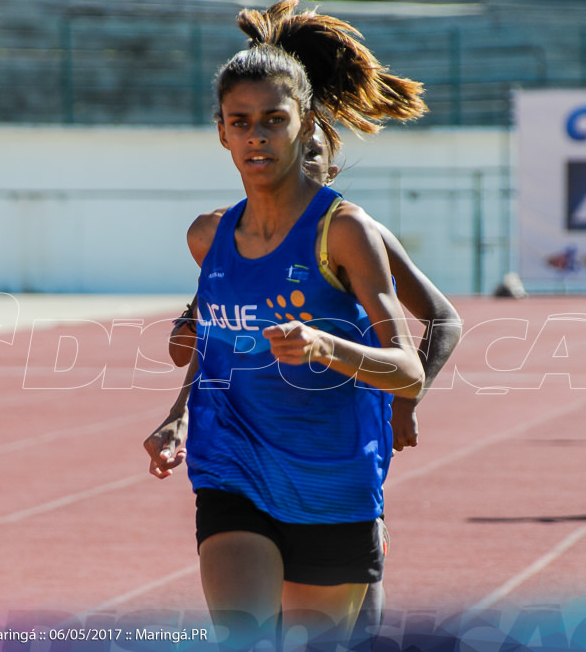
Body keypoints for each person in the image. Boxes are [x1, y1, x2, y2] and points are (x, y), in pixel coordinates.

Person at [144, 0, 434, 648]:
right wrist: (178, 415)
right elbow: (209, 346)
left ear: (307, 132)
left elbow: (413, 358)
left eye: (274, 121)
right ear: (220, 130)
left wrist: (333, 352)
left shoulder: (349, 232)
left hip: (332, 473)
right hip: (234, 468)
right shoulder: (207, 236)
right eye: (240, 122)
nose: (256, 136)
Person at [167, 121, 462, 638]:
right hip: (243, 456)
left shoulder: (354, 231)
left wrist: (404, 405)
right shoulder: (230, 235)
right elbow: (202, 343)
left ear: (331, 165)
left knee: (350, 628)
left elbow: (442, 319)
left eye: (314, 156)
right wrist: (179, 403)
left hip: (333, 453)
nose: (300, 166)